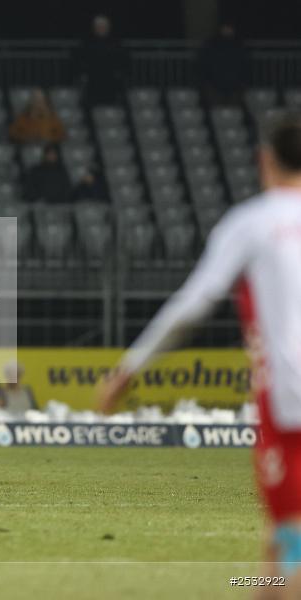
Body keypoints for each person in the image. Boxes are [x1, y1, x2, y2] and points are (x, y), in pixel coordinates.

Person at [98, 113, 301, 596]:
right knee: (281, 546)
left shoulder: (251, 223)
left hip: (289, 404)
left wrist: (130, 367)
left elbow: (193, 304)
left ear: (264, 160)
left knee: (290, 539)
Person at [75, 15, 128, 106]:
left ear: (108, 28)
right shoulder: (87, 43)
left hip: (111, 81)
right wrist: (83, 74)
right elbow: (80, 61)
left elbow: (123, 61)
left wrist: (119, 74)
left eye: (103, 26)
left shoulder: (116, 43)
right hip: (93, 81)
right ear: (94, 28)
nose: (101, 29)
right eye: (98, 27)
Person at [199, 23, 250, 107]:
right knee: (216, 111)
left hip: (235, 86)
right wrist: (205, 82)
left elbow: (245, 65)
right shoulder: (211, 44)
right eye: (225, 28)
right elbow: (203, 64)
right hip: (214, 86)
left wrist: (243, 83)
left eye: (229, 28)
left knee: (233, 110)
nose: (227, 30)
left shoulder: (239, 44)